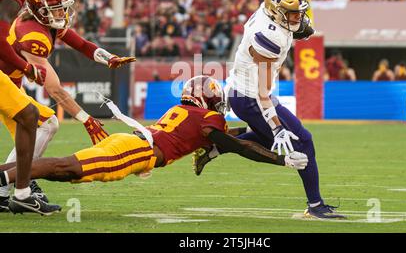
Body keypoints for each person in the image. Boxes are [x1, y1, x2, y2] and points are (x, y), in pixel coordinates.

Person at [0, 76, 308, 211]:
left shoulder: (187, 112)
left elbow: (230, 138)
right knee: (66, 166)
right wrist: (280, 160)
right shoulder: (207, 120)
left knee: (67, 170)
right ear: (209, 100)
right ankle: (5, 178)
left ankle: (6, 174)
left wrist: (253, 132)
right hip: (134, 152)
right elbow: (234, 145)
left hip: (131, 144)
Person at [194, 0, 345, 219]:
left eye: (299, 13)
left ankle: (218, 146)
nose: (298, 18)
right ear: (276, 11)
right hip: (250, 96)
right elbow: (263, 94)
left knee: (267, 138)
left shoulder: (269, 14)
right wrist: (277, 127)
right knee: (303, 140)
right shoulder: (269, 37)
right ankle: (315, 205)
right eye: (292, 13)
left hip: (244, 92)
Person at [0, 0, 137, 212]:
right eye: (56, 9)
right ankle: (11, 186)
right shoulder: (33, 35)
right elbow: (54, 89)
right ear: (39, 11)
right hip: (5, 85)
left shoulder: (43, 23)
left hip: (10, 85)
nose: (62, 13)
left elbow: (83, 45)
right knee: (47, 124)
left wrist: (109, 59)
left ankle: (12, 186)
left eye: (63, 7)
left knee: (42, 126)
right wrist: (86, 119)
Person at [0, 0, 60, 215]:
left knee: (32, 118)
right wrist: (27, 68)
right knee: (32, 118)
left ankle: (15, 190)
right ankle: (19, 192)